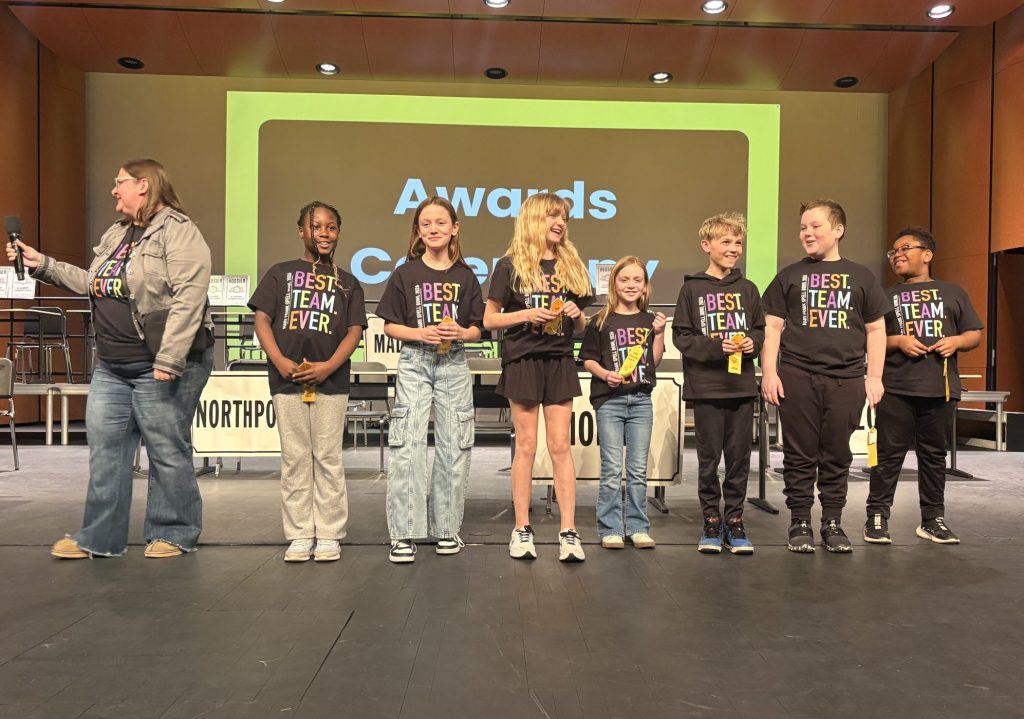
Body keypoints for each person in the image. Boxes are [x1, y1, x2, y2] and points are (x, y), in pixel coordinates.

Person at [7, 159, 214, 559]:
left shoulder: (179, 231)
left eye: (120, 183)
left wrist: (169, 360)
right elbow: (93, 281)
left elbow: (190, 296)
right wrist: (43, 265)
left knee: (166, 448)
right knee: (106, 448)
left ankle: (173, 532)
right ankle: (99, 537)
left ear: (144, 185)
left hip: (162, 362)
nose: (114, 191)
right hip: (114, 366)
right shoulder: (118, 233)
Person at [761, 199, 889, 553]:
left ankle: (832, 520)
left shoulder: (862, 276)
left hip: (847, 379)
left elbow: (876, 329)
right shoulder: (789, 275)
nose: (807, 233)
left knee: (836, 454)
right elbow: (772, 328)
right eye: (803, 227)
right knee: (799, 454)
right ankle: (799, 520)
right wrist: (769, 372)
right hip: (797, 375)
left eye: (815, 226)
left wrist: (874, 377)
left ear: (838, 230)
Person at [248, 201, 366, 563]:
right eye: (316, 227)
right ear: (301, 231)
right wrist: (280, 361)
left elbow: (354, 331)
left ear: (339, 232)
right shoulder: (279, 274)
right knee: (296, 457)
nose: (324, 233)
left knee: (328, 456)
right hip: (287, 381)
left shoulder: (348, 282)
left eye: (331, 227)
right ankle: (300, 533)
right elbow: (262, 321)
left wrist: (328, 366)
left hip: (330, 382)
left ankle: (329, 532)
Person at [484, 192, 593, 562]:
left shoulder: (572, 264)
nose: (559, 222)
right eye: (552, 216)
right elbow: (489, 319)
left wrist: (577, 315)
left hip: (560, 361)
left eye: (563, 217)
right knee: (527, 446)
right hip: (524, 362)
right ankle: (521, 529)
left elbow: (581, 327)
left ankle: (568, 531)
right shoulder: (509, 265)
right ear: (533, 218)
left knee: (561, 446)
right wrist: (525, 315)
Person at [375, 197, 484, 563]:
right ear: (418, 232)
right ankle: (404, 533)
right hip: (415, 361)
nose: (433, 229)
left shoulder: (466, 276)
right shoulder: (405, 274)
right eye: (426, 224)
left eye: (440, 223)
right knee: (408, 443)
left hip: (453, 362)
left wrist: (461, 333)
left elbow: (478, 328)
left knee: (455, 443)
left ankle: (446, 529)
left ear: (454, 228)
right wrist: (419, 334)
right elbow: (388, 324)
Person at [864, 228, 982, 545]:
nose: (897, 255)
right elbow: (870, 339)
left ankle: (932, 519)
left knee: (933, 457)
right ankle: (876, 516)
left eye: (905, 248)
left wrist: (956, 341)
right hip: (896, 388)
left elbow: (973, 333)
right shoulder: (884, 296)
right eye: (893, 252)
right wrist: (899, 340)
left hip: (939, 388)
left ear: (927, 254)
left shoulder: (953, 292)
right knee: (887, 456)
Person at [672, 213, 764, 554]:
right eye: (726, 242)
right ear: (706, 245)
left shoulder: (749, 289)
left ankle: (735, 520)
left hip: (741, 387)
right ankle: (711, 520)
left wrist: (754, 342)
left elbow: (760, 329)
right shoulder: (692, 288)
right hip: (707, 387)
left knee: (739, 459)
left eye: (738, 242)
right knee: (709, 459)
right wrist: (715, 347)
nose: (734, 248)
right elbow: (682, 336)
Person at [580, 256, 665, 550]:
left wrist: (661, 334)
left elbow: (652, 362)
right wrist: (606, 374)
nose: (631, 285)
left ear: (644, 286)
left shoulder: (649, 320)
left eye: (637, 280)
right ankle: (610, 528)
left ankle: (638, 527)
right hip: (610, 401)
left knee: (638, 469)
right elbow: (588, 359)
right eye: (624, 279)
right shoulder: (600, 321)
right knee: (612, 468)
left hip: (641, 400)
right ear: (614, 283)